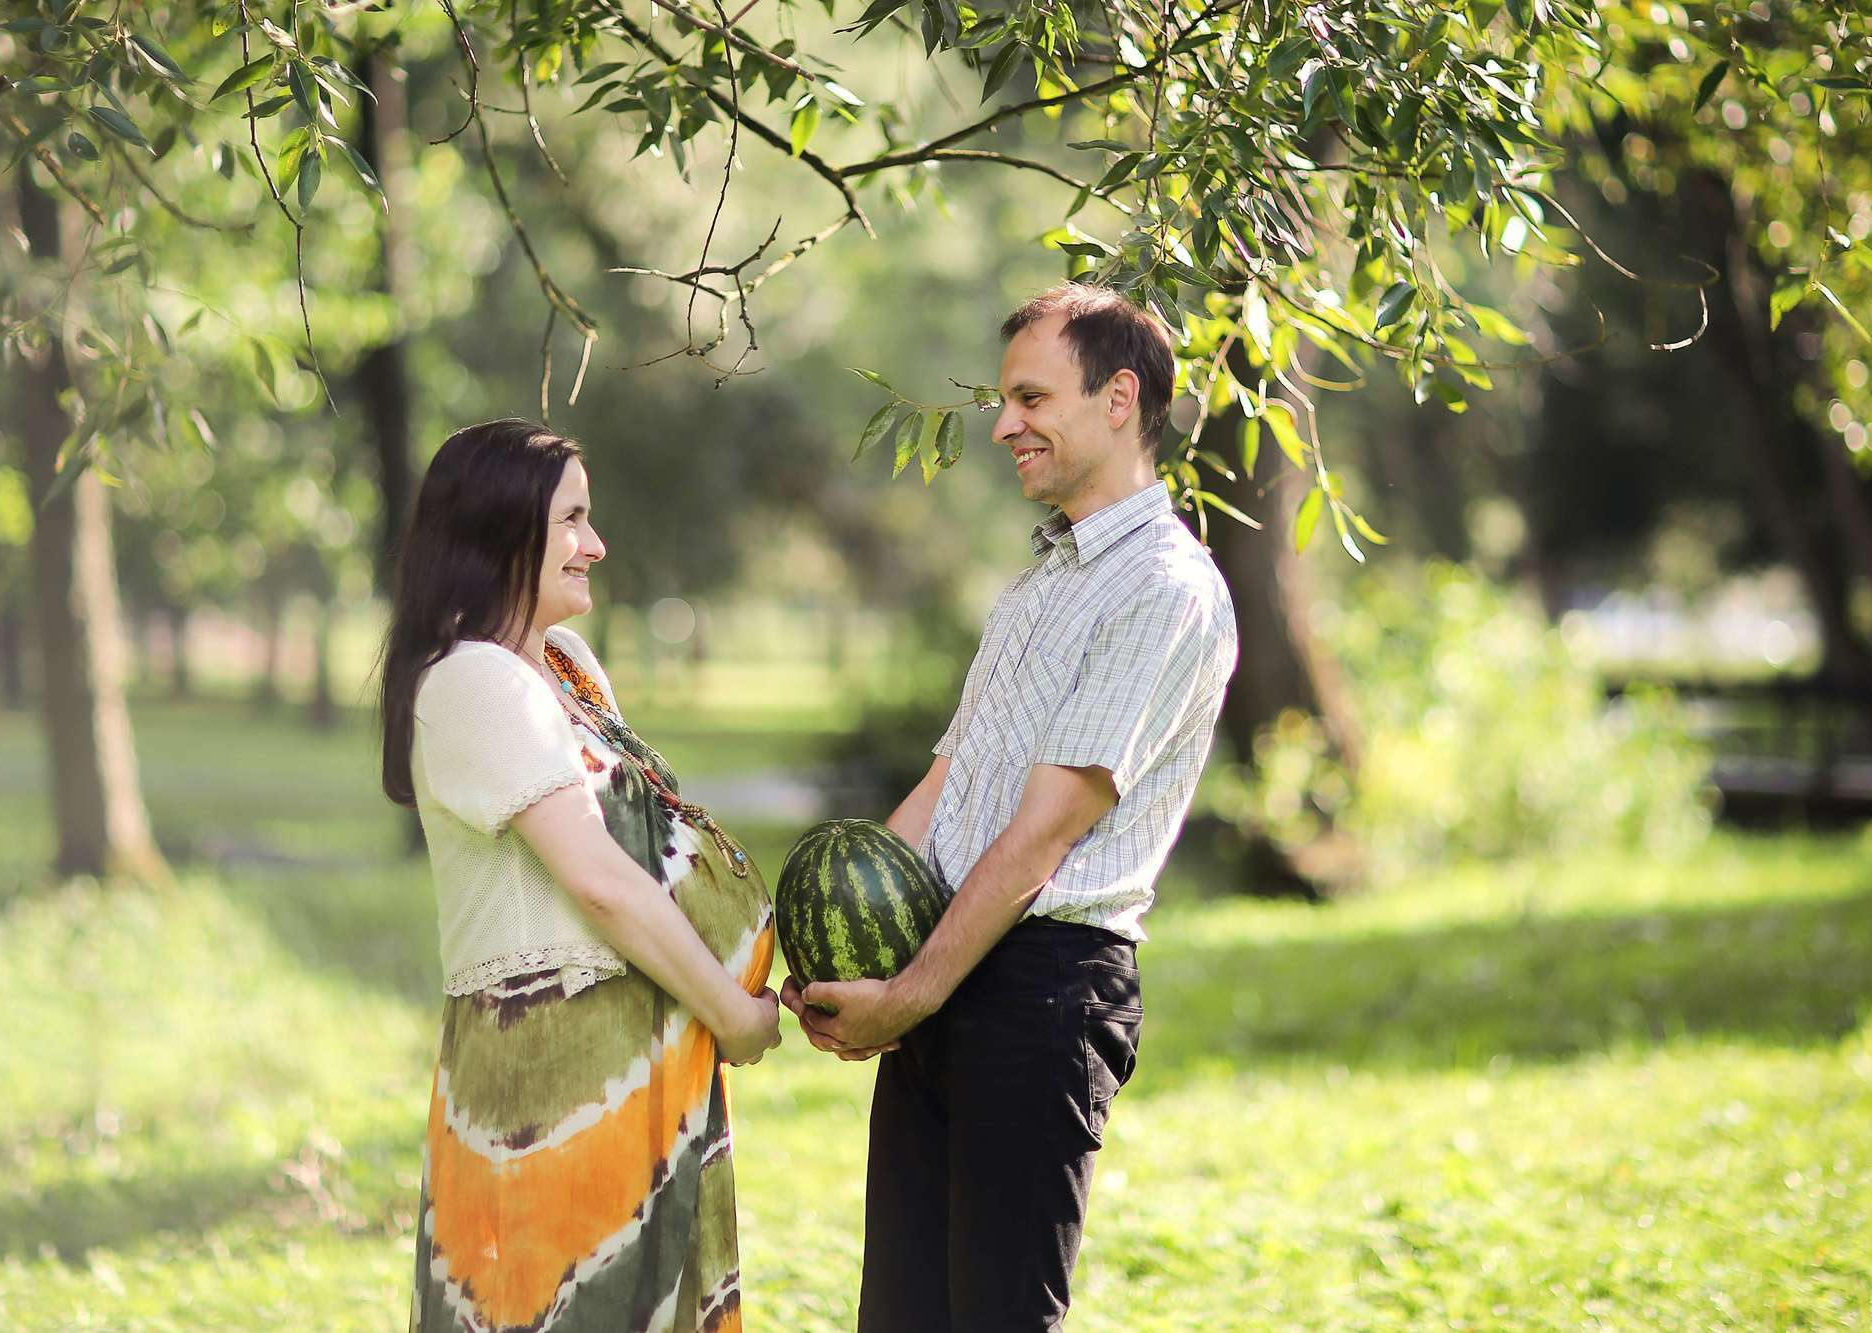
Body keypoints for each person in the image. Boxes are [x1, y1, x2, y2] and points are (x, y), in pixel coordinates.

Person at [784, 284, 1239, 1332]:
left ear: (1118, 399)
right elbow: (944, 787)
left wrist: (906, 995)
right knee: (900, 1316)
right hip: (948, 968)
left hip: (1042, 992)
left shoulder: (1163, 588)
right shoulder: (1039, 585)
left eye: (1031, 399)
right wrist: (820, 954)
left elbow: (1041, 838)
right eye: (1004, 401)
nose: (1003, 426)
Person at [379, 419, 780, 1333]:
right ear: (497, 529)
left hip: (637, 1055)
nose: (594, 545)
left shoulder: (564, 665)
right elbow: (599, 879)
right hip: (553, 1080)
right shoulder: (473, 681)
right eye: (571, 519)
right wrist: (729, 1010)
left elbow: (645, 848)